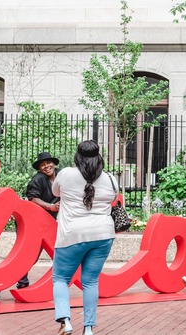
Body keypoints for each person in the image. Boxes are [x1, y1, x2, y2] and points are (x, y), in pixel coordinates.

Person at [51, 140, 116, 335]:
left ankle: (65, 321)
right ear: (98, 156)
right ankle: (88, 328)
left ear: (77, 156)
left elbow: (55, 192)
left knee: (60, 278)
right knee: (90, 281)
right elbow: (114, 199)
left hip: (72, 235)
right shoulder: (110, 178)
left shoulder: (66, 174)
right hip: (103, 234)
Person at [20, 152, 61, 289]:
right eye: (42, 165)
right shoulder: (38, 179)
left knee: (61, 252)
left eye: (48, 163)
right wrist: (50, 206)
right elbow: (32, 198)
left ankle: (61, 280)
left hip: (54, 222)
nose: (46, 167)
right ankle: (19, 279)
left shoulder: (62, 175)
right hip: (37, 223)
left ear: (54, 163)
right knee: (32, 253)